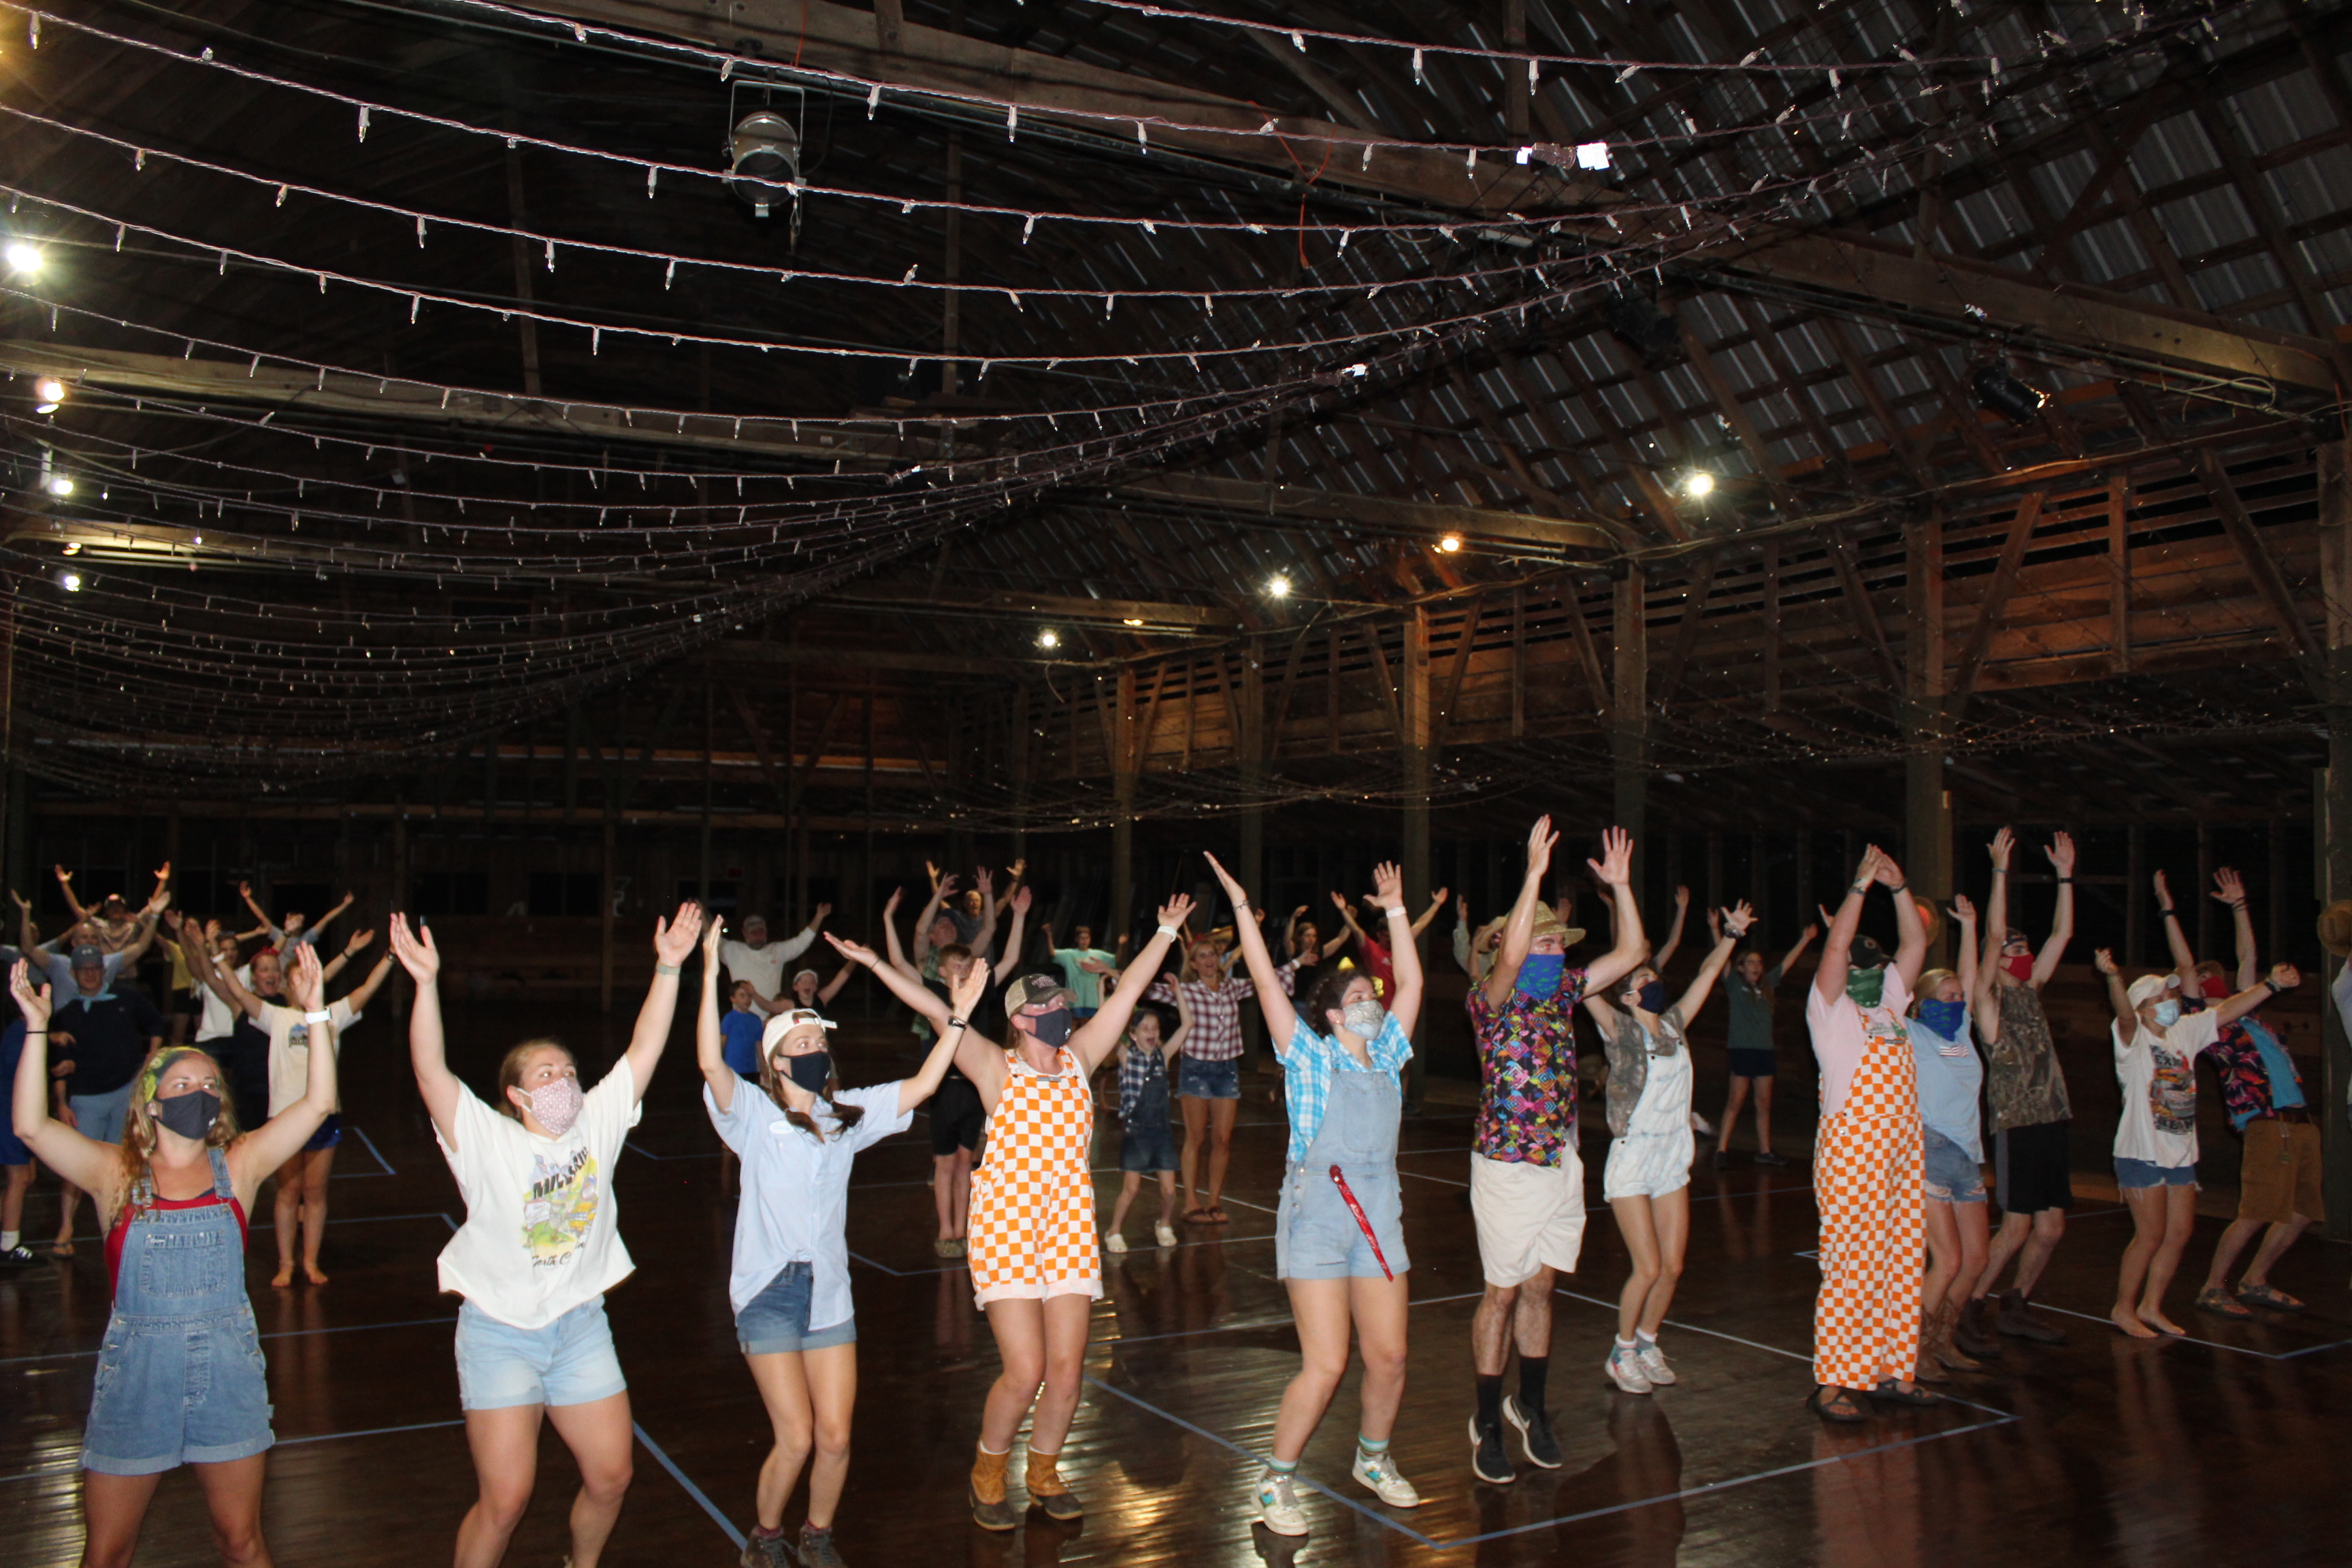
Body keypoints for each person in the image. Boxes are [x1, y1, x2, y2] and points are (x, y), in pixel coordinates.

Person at [389, 900, 704, 1568]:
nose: (562, 1080)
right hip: (500, 1333)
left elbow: (645, 1046)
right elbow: (431, 1071)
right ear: (516, 1095)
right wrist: (425, 985)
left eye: (568, 1071)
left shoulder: (596, 1124)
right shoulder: (486, 1139)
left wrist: (670, 968)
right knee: (505, 1501)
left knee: (612, 1477)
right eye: (544, 1073)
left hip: (580, 1325)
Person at [10, 945, 337, 1568]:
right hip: (138, 1377)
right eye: (183, 1084)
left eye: (210, 1085)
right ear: (152, 1103)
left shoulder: (241, 1165)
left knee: (242, 1542)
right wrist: (36, 1028)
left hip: (228, 1373)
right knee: (107, 1552)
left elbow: (318, 1103)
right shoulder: (113, 1174)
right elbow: (31, 1127)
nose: (200, 1093)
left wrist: (316, 1012)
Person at [696, 919, 977, 1568]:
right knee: (795, 1437)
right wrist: (707, 973)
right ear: (777, 1060)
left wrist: (958, 1019)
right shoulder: (753, 1114)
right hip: (768, 1293)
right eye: (803, 1041)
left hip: (829, 1293)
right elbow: (711, 1062)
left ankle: (817, 1536)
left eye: (820, 1040)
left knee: (836, 1437)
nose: (816, 1047)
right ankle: (766, 1538)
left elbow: (924, 1085)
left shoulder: (845, 1115)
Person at [947, 896, 1190, 1530]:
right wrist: (940, 995)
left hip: (1070, 1229)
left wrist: (1165, 932)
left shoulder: (1080, 1060)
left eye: (1060, 1001)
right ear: (1018, 1020)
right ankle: (988, 1470)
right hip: (1006, 1229)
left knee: (1066, 1373)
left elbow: (1127, 990)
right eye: (1045, 1006)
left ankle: (1045, 1470)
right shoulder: (995, 1068)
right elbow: (931, 1012)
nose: (1058, 1010)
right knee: (1024, 1370)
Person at [1203, 852, 1422, 1539]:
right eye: (1359, 998)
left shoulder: (1390, 1053)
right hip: (1318, 1215)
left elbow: (1413, 978)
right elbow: (1263, 976)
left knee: (1390, 1357)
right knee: (1326, 1364)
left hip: (1379, 1210)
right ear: (1331, 1015)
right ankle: (1275, 1480)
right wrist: (1242, 908)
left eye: (1373, 996)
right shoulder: (1307, 1056)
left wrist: (1395, 909)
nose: (1373, 1003)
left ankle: (1373, 1459)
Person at [1464, 819, 1642, 1484]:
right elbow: (1511, 959)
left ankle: (1530, 1407)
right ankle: (1487, 1420)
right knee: (1502, 1294)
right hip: (1507, 1163)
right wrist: (1534, 873)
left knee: (1541, 1288)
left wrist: (1621, 888)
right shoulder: (1491, 1000)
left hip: (1561, 1161)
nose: (1551, 951)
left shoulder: (1565, 992)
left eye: (1555, 943)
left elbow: (1633, 951)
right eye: (1543, 941)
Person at [1588, 900, 1752, 1396]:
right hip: (1634, 1156)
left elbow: (1707, 973)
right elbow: (1585, 990)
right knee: (1649, 1267)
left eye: (1653, 974)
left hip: (1672, 1153)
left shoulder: (1676, 1025)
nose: (1654, 980)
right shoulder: (1620, 1030)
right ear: (1628, 994)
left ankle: (1647, 1341)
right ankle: (1621, 1352)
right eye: (1644, 977)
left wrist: (1731, 936)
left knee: (1673, 1267)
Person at [180, 921, 393, 1288]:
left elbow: (367, 989)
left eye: (308, 978)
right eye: (296, 980)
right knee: (288, 1192)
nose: (303, 984)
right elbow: (236, 990)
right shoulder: (276, 1017)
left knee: (315, 1193)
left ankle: (310, 1261)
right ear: (286, 986)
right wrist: (215, 953)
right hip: (285, 1119)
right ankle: (286, 1263)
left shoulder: (332, 1015)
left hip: (324, 1119)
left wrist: (390, 955)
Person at [1804, 844, 1931, 1423]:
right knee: (1853, 1263)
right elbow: (1835, 948)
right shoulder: (1830, 1014)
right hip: (1853, 1148)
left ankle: (1887, 1369)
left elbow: (1916, 945)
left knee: (1901, 1258)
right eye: (1862, 968)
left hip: (1903, 1145)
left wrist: (1899, 888)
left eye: (1877, 967)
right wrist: (1859, 888)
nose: (1872, 974)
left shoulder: (1890, 1008)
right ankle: (1834, 1379)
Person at [1965, 828, 2077, 1349]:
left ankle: (2017, 1305)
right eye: (2016, 947)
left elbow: (2062, 935)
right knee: (2015, 1228)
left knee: (2051, 1230)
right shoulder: (1989, 1004)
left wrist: (2065, 876)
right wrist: (2000, 871)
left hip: (2052, 1118)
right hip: (2017, 1124)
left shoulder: (2031, 992)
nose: (2024, 951)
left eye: (2025, 946)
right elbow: (1992, 938)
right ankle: (1969, 1307)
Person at [2195, 873, 2323, 1317]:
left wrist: (2239, 906)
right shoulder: (2207, 1024)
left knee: (2303, 1210)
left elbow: (2248, 957)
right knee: (2255, 1211)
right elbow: (2236, 980)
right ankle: (2213, 1287)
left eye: (2216, 974)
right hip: (2267, 1125)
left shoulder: (2248, 1013)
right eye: (2204, 976)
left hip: (2299, 1119)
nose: (2215, 978)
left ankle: (2255, 1280)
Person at [884, 883, 1030, 1258]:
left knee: (967, 1162)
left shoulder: (979, 994)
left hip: (974, 1089)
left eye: (967, 968)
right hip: (944, 1090)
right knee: (945, 1163)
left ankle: (962, 1231)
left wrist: (1019, 916)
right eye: (956, 968)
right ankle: (945, 1230)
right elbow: (898, 964)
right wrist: (887, 918)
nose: (963, 974)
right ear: (942, 971)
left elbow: (1011, 957)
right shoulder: (933, 994)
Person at [1147, 926, 1294, 1226]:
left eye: (1212, 955)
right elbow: (1147, 988)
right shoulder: (1186, 991)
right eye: (1202, 956)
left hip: (1227, 1069)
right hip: (1196, 1069)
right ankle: (1191, 1203)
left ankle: (1214, 1202)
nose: (1208, 960)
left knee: (1223, 1139)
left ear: (1219, 958)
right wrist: (1110, 974)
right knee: (1196, 1137)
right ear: (1193, 963)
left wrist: (1299, 962)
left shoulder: (1232, 987)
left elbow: (1267, 980)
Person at [1906, 896, 1993, 1376]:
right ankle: (1911, 1349)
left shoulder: (1960, 1037)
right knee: (1949, 1259)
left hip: (1967, 1155)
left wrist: (1970, 927)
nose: (1956, 1002)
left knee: (1976, 1259)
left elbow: (1972, 977)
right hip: (1931, 1148)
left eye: (1959, 996)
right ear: (1923, 1002)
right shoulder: (1912, 1033)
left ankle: (1942, 1338)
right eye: (1946, 997)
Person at [46, 944, 168, 1258]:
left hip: (125, 1093)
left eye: (94, 968)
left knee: (122, 1164)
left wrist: (152, 1055)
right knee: (75, 1165)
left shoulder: (127, 999)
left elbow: (157, 1023)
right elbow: (60, 1065)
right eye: (83, 969)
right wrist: (61, 1104)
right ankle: (66, 1227)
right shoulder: (66, 1015)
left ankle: (118, 1227)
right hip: (86, 1098)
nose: (89, 974)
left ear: (103, 969)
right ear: (73, 973)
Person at [1711, 919, 1817, 1169]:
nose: (1756, 966)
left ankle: (1765, 1151)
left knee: (1764, 1103)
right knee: (1736, 1101)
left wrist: (1805, 939)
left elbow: (1787, 962)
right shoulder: (1734, 984)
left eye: (1759, 962)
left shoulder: (1768, 984)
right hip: (1742, 1050)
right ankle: (1721, 1150)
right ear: (1741, 968)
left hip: (1764, 1052)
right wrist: (1715, 929)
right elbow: (1721, 959)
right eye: (1751, 962)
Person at [1103, 990, 1188, 1253]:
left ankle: (1164, 1224)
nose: (1151, 1032)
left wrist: (1178, 991)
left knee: (1170, 1191)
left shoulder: (1164, 1055)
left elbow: (1187, 1024)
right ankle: (1113, 1231)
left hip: (1161, 1131)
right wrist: (1102, 990)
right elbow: (1106, 1026)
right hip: (1136, 1131)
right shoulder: (1127, 1057)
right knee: (1131, 1189)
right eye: (1145, 1028)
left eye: (1155, 1028)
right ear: (1133, 1034)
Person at [720, 908, 830, 1015]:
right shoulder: (732, 950)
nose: (757, 935)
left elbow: (802, 942)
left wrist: (819, 916)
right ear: (744, 933)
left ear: (766, 932)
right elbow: (712, 939)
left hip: (772, 1018)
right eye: (753, 932)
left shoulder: (777, 951)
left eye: (761, 931)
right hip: (742, 1018)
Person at [1, 1007, 35, 1262]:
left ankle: (7, 1239)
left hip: (16, 1110)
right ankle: (9, 1244)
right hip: (9, 1110)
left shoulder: (22, 1030)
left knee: (25, 1176)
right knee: (19, 1177)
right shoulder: (20, 1030)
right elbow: (17, 1066)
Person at [1043, 922, 1117, 1020]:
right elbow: (1053, 953)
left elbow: (1115, 959)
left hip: (1093, 1001)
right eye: (1082, 938)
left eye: (1087, 938)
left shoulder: (1097, 954)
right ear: (1076, 939)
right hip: (1075, 1001)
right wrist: (1049, 935)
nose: (1084, 941)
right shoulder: (1070, 954)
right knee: (1076, 1024)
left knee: (1091, 1024)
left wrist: (1122, 944)